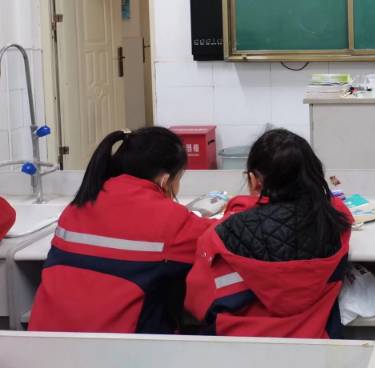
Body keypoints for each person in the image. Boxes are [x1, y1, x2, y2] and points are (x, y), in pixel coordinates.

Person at [29, 127, 211, 333]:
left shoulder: (78, 204)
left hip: (44, 341)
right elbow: (225, 236)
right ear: (164, 179)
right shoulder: (170, 218)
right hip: (115, 346)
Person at [185, 128, 352, 338]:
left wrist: (243, 205)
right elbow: (333, 205)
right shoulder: (333, 220)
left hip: (236, 345)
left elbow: (197, 303)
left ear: (255, 180)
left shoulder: (223, 233)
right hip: (314, 344)